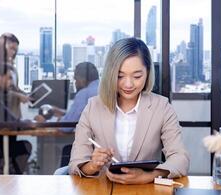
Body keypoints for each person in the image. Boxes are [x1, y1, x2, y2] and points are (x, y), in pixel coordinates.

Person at [68, 38, 189, 184]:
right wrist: (93, 165)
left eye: (137, 76)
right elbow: (75, 163)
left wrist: (150, 176)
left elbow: (180, 158)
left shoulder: (161, 107)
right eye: (119, 76)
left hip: (146, 192)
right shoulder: (93, 107)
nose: (128, 84)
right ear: (110, 74)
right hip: (102, 191)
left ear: (148, 73)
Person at [35, 62, 99, 133]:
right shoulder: (106, 90)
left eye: (75, 79)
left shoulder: (84, 94)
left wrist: (45, 122)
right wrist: (65, 114)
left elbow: (66, 127)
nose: (75, 83)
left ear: (82, 79)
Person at [0, 33, 30, 118]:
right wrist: (18, 95)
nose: (13, 52)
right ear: (2, 47)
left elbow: (14, 87)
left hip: (13, 111)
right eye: (11, 48)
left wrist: (24, 94)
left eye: (15, 50)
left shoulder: (10, 64)